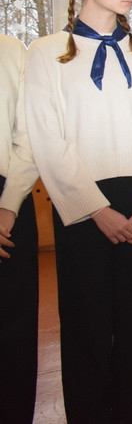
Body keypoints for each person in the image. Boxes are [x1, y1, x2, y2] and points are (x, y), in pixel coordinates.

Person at [24, 0, 132, 423]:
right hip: (83, 203)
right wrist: (95, 208)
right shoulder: (46, 52)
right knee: (86, 323)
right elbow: (48, 138)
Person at [0, 34, 40, 424]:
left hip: (10, 194)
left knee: (14, 333)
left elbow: (29, 135)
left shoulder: (12, 50)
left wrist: (8, 205)